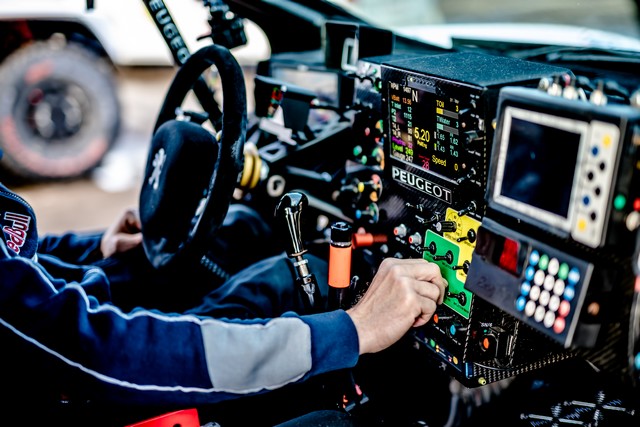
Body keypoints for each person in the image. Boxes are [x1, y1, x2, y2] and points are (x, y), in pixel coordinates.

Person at [0, 133, 447, 426]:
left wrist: (93, 248)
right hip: (86, 391)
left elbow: (15, 255)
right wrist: (353, 329)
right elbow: (100, 353)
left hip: (70, 357)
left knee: (255, 247)